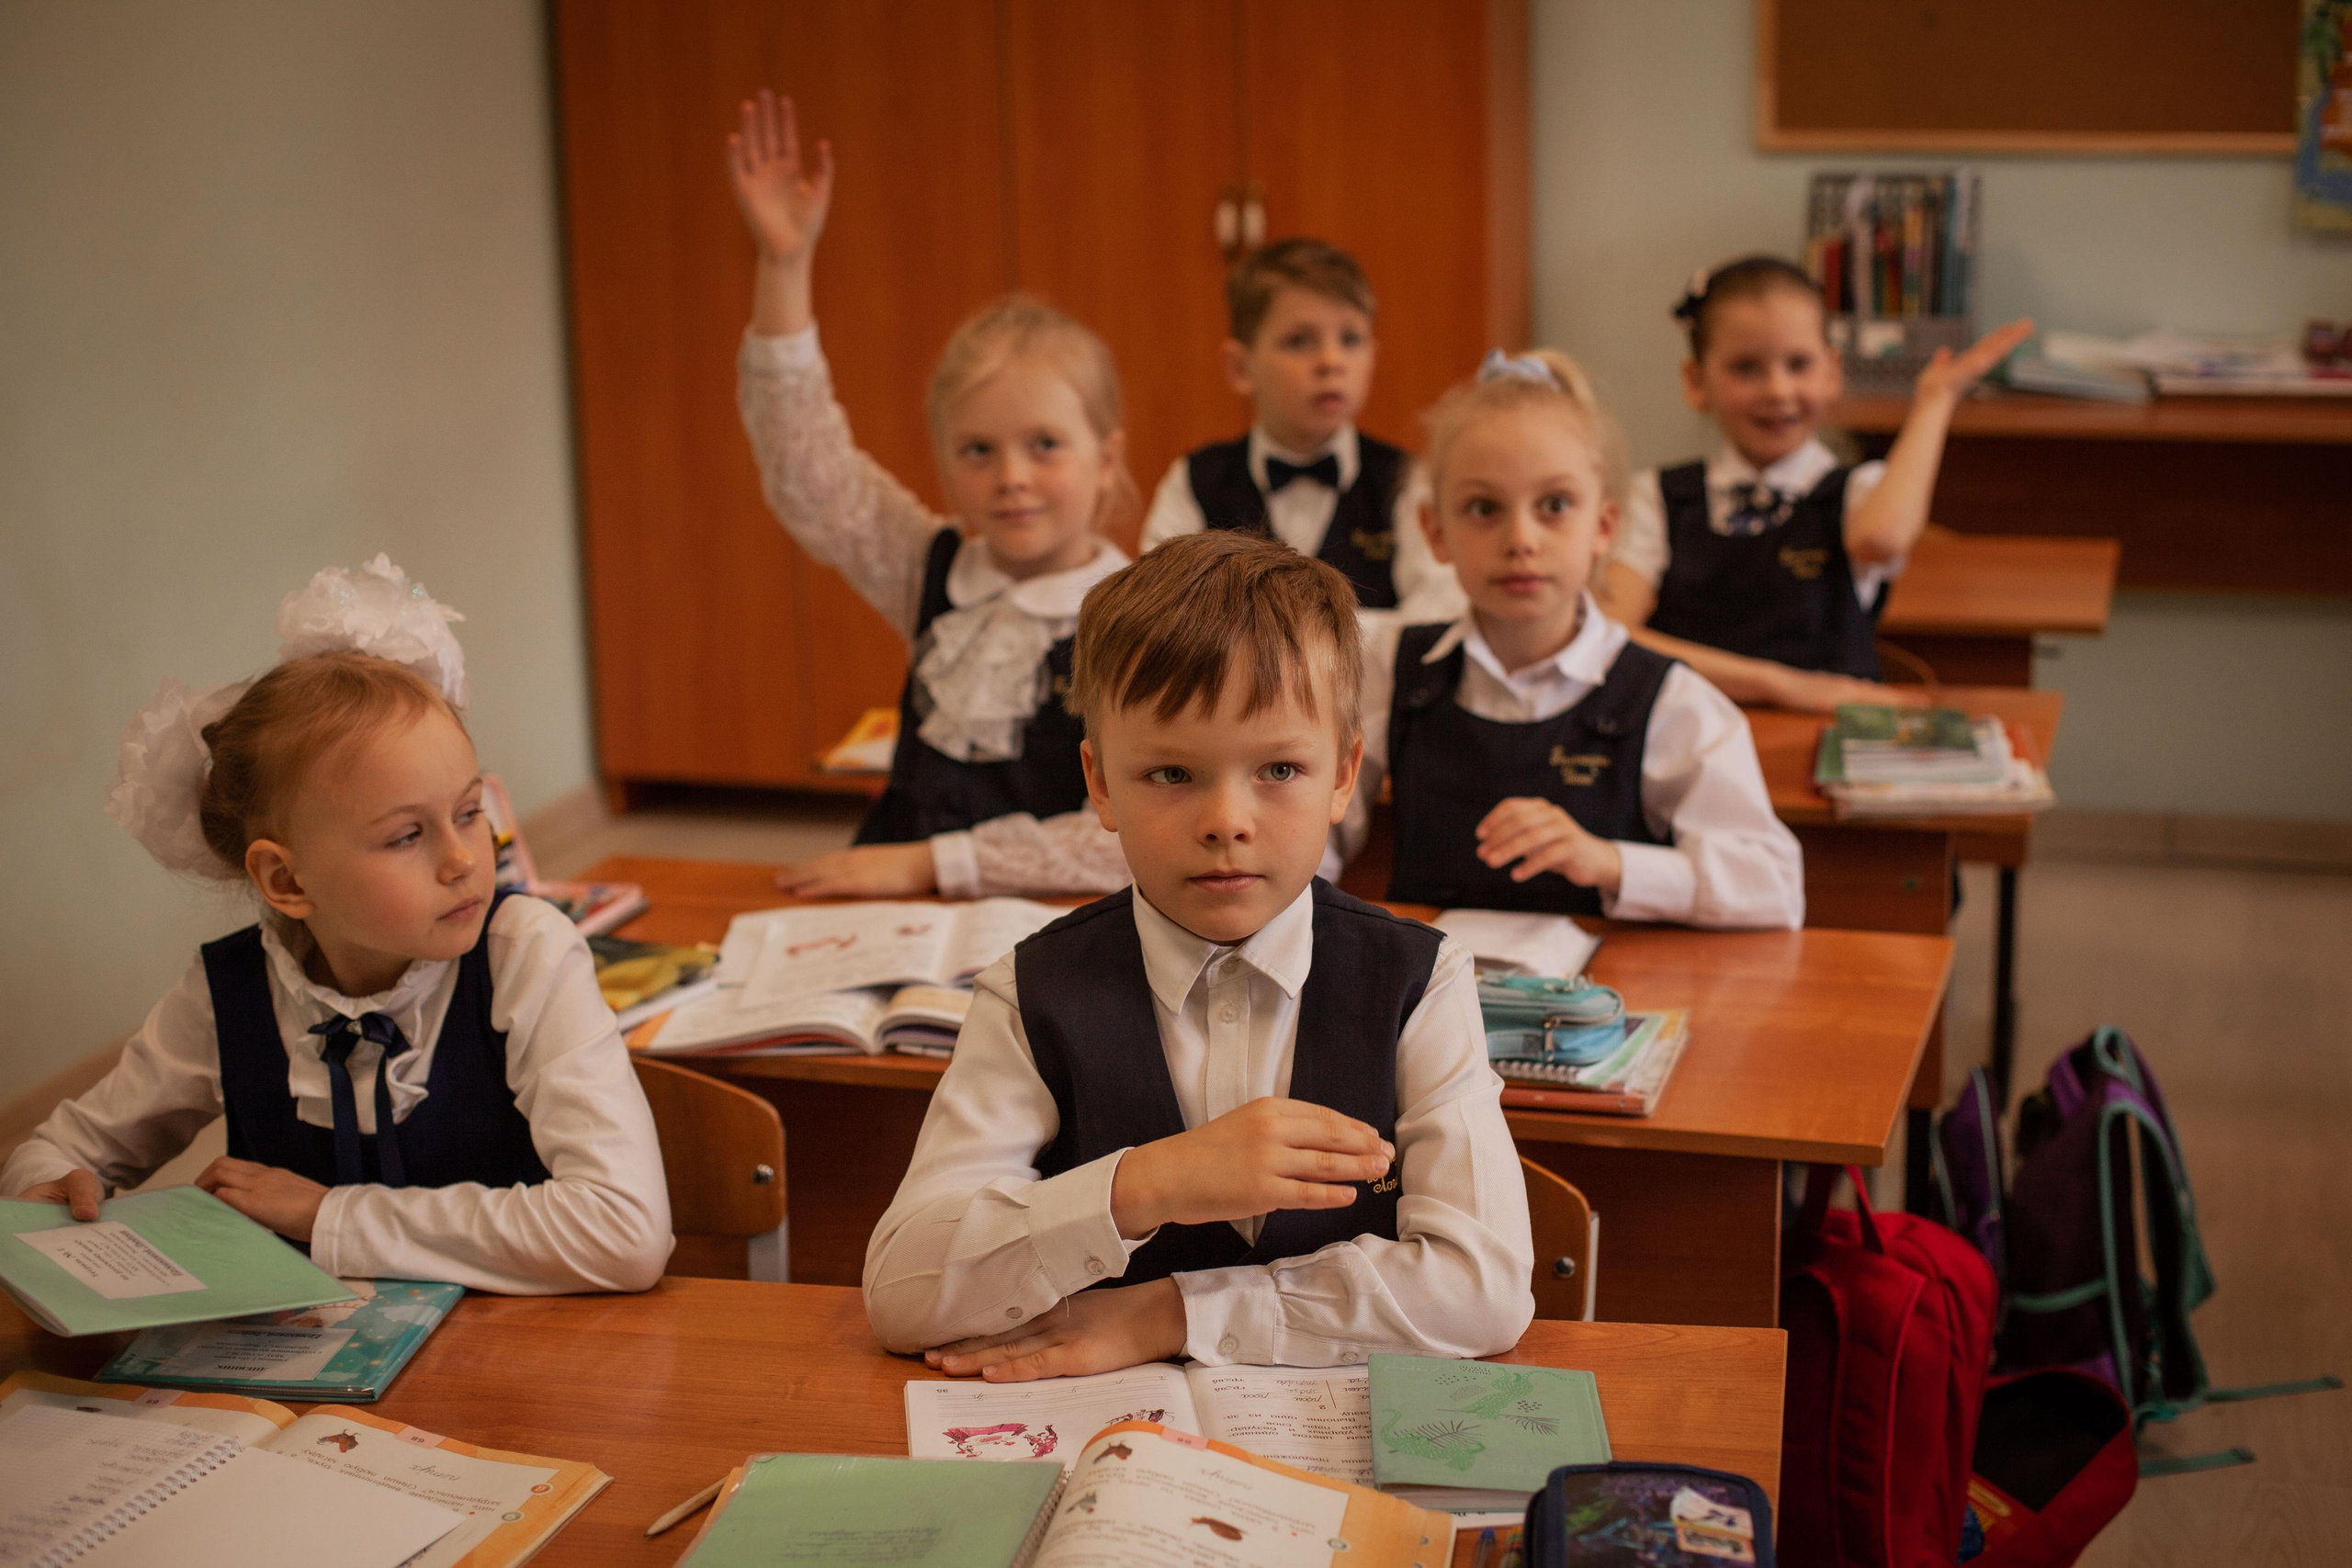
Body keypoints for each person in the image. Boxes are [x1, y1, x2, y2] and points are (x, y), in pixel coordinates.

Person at [864, 533, 1533, 1379]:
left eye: (1279, 767)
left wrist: (1169, 1311)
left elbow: (1486, 1288)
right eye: (1172, 773)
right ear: (1100, 782)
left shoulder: (1419, 982)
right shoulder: (1030, 993)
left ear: (1345, 774)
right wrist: (1147, 1184)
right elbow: (900, 1291)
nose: (1227, 820)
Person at [1, 558, 672, 1295]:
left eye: (469, 812)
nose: (462, 860)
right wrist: (48, 1190)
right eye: (405, 836)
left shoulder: (527, 955)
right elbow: (58, 1153)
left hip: (526, 1365)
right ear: (287, 881)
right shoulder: (231, 992)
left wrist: (331, 1216)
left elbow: (625, 1231)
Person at [729, 88, 1135, 899]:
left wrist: (936, 862)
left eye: (1045, 446)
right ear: (947, 469)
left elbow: (1130, 838)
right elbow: (810, 469)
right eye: (978, 451)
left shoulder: (1137, 613)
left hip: (1049, 910)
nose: (1011, 477)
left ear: (1107, 457)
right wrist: (785, 266)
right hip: (893, 899)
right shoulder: (933, 563)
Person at [1335, 351, 1804, 929]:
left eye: (1555, 506)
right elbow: (1313, 835)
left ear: (1604, 527)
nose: (1521, 539)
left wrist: (1610, 862)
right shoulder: (1387, 670)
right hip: (1434, 999)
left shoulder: (1667, 698)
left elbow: (1774, 883)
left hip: (1604, 1001)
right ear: (1435, 533)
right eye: (1484, 508)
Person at [1596, 255, 2031, 710]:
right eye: (1746, 368)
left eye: (1799, 364)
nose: (1778, 391)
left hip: (1830, 746)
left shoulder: (1859, 492)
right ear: (1696, 381)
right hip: (1689, 741)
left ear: (1832, 372)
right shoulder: (1657, 498)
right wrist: (1779, 685)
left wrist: (1934, 402)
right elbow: (1611, 635)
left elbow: (1883, 538)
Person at [1139, 239, 1462, 622]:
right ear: (1240, 368)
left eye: (1350, 339)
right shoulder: (1195, 480)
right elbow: (1159, 616)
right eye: (1300, 341)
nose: (1331, 361)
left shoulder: (1406, 480)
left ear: (1373, 356)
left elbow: (1436, 615)